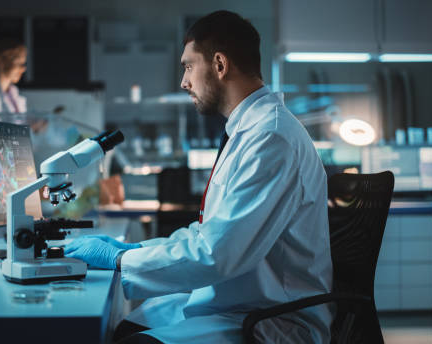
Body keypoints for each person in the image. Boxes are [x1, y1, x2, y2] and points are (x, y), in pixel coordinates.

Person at [65, 10, 333, 344]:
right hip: (241, 300)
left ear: (219, 65)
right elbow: (210, 232)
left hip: (273, 318)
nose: (184, 82)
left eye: (189, 66)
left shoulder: (271, 138)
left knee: (133, 342)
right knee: (127, 326)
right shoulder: (248, 132)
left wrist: (119, 259)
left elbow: (217, 253)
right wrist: (135, 248)